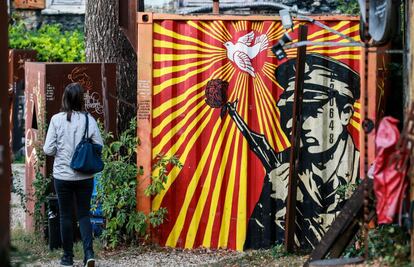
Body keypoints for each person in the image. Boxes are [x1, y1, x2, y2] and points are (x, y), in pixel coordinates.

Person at [224, 53, 360, 249]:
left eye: (311, 110)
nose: (292, 124)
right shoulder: (279, 167)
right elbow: (254, 249)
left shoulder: (364, 170)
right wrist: (269, 205)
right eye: (287, 111)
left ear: (345, 113)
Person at [44, 82, 103, 267]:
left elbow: (48, 149)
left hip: (62, 176)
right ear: (81, 99)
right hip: (85, 176)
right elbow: (99, 145)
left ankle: (67, 258)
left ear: (65, 99)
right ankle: (89, 254)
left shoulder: (56, 120)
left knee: (66, 216)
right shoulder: (89, 120)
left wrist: (62, 150)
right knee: (84, 214)